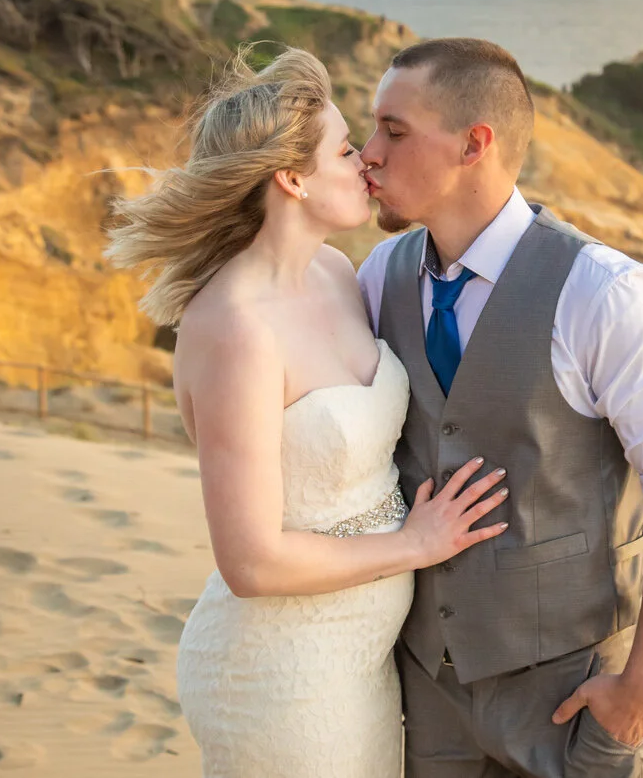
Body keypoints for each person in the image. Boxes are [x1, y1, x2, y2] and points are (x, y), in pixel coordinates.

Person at [104, 48, 510, 778]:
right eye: (349, 148)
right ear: (291, 178)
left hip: (359, 662)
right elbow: (251, 560)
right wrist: (415, 545)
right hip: (278, 676)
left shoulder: (334, 273)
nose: (369, 162)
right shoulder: (234, 329)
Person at [358, 38, 643, 778]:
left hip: (572, 695)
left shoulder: (601, 291)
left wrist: (641, 688)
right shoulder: (377, 276)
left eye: (394, 131)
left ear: (474, 144)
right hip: (429, 692)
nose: (368, 152)